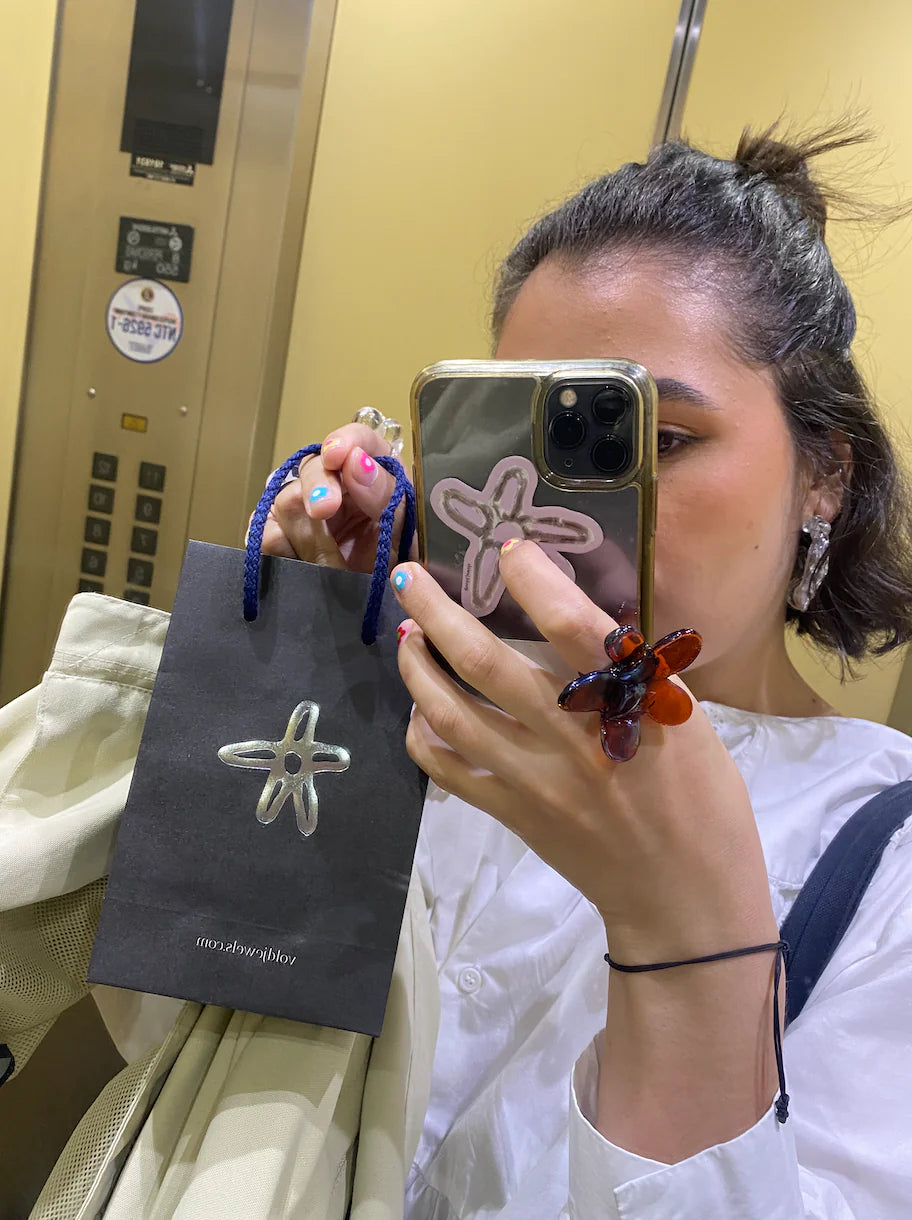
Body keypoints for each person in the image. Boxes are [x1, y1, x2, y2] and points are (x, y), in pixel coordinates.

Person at [262, 123, 912, 1217]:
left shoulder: (887, 862)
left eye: (653, 440)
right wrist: (316, 657)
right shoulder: (434, 730)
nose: (564, 516)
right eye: (526, 441)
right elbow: (193, 1040)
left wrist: (686, 940)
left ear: (825, 476)